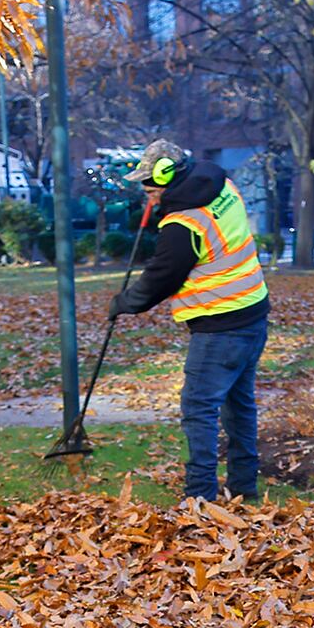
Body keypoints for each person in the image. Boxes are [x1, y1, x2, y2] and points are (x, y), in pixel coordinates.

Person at [108, 140, 270, 501]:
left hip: (220, 326)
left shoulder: (184, 224)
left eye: (150, 190)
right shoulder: (222, 186)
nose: (148, 198)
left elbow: (162, 277)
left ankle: (200, 496)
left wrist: (125, 302)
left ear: (169, 177)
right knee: (239, 404)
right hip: (254, 312)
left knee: (199, 408)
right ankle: (244, 486)